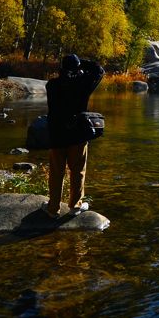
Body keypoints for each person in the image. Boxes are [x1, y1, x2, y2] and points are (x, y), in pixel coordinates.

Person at [44, 54, 105, 218]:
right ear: (77, 68)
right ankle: (75, 206)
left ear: (61, 69)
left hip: (56, 134)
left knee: (56, 172)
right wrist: (82, 63)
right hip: (77, 134)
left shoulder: (52, 85)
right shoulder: (83, 84)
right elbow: (99, 70)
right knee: (78, 170)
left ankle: (53, 209)